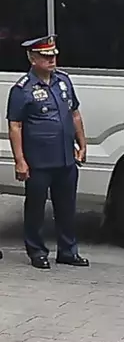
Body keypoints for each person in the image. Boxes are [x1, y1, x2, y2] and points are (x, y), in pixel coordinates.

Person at [6, 34, 89, 270]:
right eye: (45, 56)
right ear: (33, 59)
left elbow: (74, 114)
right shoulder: (22, 89)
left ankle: (68, 251)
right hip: (39, 161)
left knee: (66, 207)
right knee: (36, 208)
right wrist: (20, 160)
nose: (52, 60)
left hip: (65, 158)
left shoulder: (63, 81)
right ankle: (37, 251)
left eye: (53, 55)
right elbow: (15, 126)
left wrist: (82, 144)